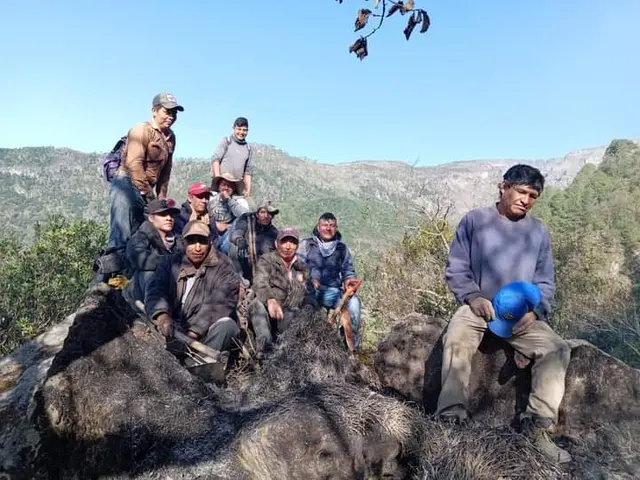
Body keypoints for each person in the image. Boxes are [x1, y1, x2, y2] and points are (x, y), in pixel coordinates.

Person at [437, 164, 572, 464]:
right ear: (503, 187)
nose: (526, 199)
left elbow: (545, 281)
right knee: (457, 337)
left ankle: (536, 430)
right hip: (479, 308)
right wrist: (473, 297)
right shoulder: (475, 220)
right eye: (521, 191)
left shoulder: (538, 232)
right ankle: (450, 419)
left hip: (521, 317)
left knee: (557, 349)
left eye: (533, 195)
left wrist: (536, 312)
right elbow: (457, 268)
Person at [144, 220, 242, 355]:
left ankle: (199, 363)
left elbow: (220, 303)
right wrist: (162, 315)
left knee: (228, 326)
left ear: (210, 242)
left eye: (202, 241)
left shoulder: (224, 266)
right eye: (191, 241)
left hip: (203, 332)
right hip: (174, 327)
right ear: (183, 243)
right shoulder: (169, 262)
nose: (197, 248)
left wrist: (194, 332)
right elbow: (156, 289)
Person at [108, 92, 182, 253]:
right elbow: (134, 164)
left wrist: (161, 201)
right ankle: (112, 270)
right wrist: (150, 196)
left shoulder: (171, 138)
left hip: (146, 189)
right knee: (122, 230)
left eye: (174, 113)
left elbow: (165, 173)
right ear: (154, 111)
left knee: (146, 234)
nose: (171, 116)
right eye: (167, 112)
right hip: (126, 183)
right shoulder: (141, 130)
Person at [298, 212, 362, 352]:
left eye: (332, 225)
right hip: (310, 291)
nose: (328, 228)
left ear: (336, 228)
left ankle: (348, 346)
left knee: (355, 304)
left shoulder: (342, 249)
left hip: (333, 292)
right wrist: (308, 278)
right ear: (318, 226)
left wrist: (349, 281)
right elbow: (297, 266)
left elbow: (348, 270)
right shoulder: (307, 244)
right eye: (325, 225)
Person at [249, 227, 311, 358]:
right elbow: (260, 283)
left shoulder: (302, 267)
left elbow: (308, 292)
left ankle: (286, 350)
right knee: (256, 305)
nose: (288, 246)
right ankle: (265, 349)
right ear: (276, 244)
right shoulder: (267, 260)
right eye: (284, 241)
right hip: (269, 310)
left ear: (297, 245)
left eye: (292, 242)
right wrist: (270, 300)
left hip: (289, 315)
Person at [122, 198, 181, 309]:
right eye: (163, 214)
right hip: (139, 294)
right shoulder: (140, 237)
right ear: (151, 218)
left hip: (170, 290)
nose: (169, 218)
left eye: (171, 215)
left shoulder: (179, 241)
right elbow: (139, 258)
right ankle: (154, 310)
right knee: (149, 272)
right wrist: (169, 261)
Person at [229, 200, 279, 283]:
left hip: (262, 271)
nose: (266, 216)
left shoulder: (274, 233)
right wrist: (239, 240)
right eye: (263, 212)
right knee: (233, 248)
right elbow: (235, 235)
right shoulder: (246, 220)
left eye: (270, 213)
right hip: (243, 263)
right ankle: (238, 279)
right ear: (257, 213)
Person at [210, 116, 254, 199]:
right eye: (239, 129)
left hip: (235, 188)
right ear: (234, 128)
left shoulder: (248, 148)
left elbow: (248, 172)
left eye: (244, 130)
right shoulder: (226, 141)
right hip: (222, 185)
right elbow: (215, 160)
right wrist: (218, 179)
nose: (241, 132)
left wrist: (248, 191)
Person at [208, 173, 250, 254]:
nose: (226, 188)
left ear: (234, 188)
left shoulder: (239, 201)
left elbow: (245, 216)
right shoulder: (211, 199)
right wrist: (215, 224)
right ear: (219, 186)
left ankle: (221, 251)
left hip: (229, 235)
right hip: (213, 232)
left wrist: (229, 200)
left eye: (230, 186)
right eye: (224, 184)